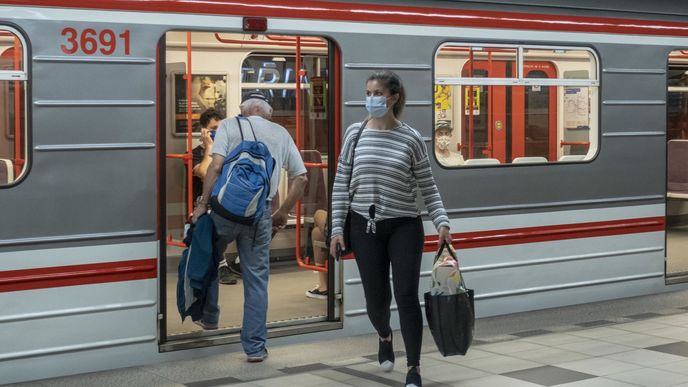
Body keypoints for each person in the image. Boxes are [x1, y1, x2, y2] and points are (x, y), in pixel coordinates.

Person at [329, 71, 452, 387]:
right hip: (363, 226)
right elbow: (342, 183)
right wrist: (336, 230)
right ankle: (384, 336)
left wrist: (441, 221)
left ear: (394, 97)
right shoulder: (355, 134)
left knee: (407, 296)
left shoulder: (410, 138)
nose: (371, 98)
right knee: (376, 300)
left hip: (404, 226)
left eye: (378, 92)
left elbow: (428, 186)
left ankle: (414, 368)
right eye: (368, 92)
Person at [192, 91, 308, 362]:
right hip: (260, 214)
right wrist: (282, 212)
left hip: (223, 211)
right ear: (268, 113)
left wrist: (202, 205)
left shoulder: (231, 125)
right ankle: (255, 348)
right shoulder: (280, 132)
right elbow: (301, 178)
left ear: (243, 110)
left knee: (209, 260)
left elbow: (216, 166)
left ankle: (210, 318)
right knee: (256, 280)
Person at [191, 108, 239, 285]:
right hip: (205, 201)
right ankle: (220, 264)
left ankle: (241, 261)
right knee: (213, 218)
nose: (217, 133)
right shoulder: (196, 153)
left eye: (221, 129)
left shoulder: (228, 151)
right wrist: (209, 147)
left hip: (225, 197)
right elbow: (204, 173)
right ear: (204, 131)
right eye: (213, 129)